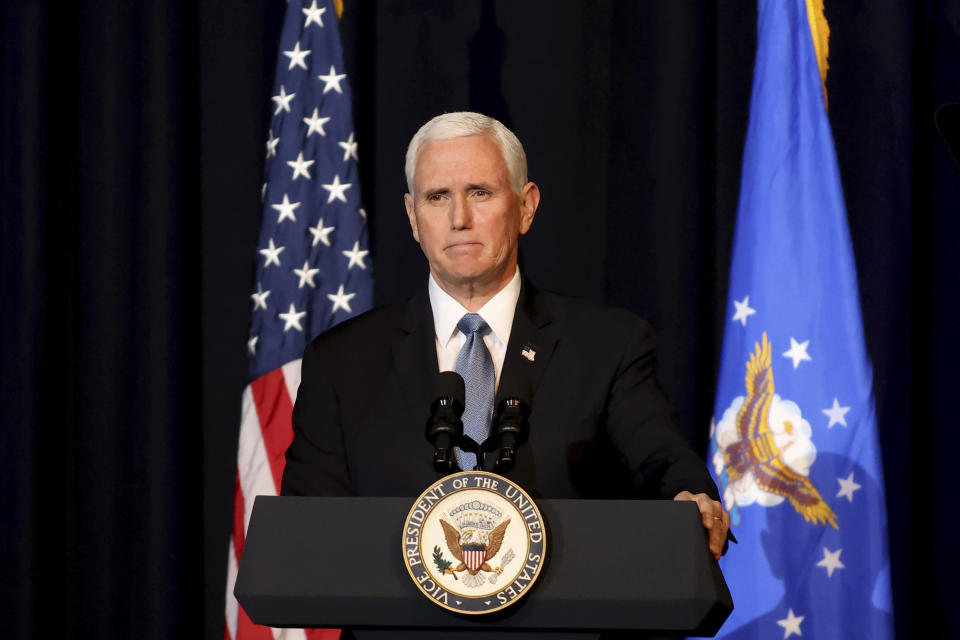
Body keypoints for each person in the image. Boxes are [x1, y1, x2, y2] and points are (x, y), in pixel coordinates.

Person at [281, 111, 730, 559]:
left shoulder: (608, 346)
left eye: (480, 192)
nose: (460, 217)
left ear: (526, 206)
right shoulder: (342, 361)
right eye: (437, 197)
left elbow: (660, 459)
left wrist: (688, 495)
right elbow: (305, 532)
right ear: (413, 218)